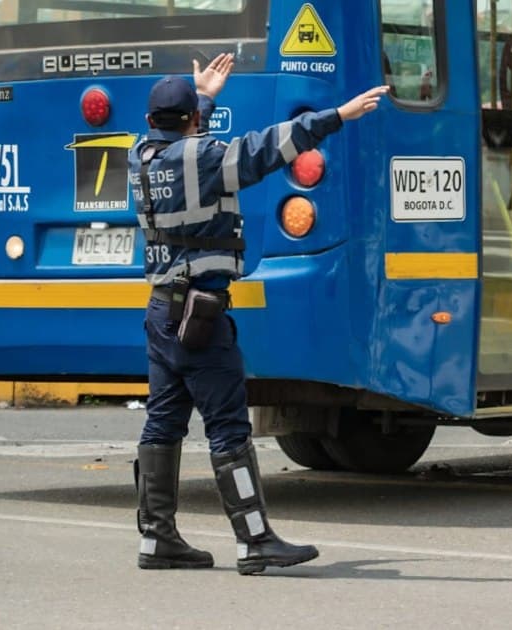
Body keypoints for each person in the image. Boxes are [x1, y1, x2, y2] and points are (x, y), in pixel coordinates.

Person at [129, 53, 387, 575]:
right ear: (192, 124)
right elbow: (272, 146)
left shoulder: (141, 155)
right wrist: (340, 113)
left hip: (161, 313)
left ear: (151, 120)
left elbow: (181, 133)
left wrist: (202, 97)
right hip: (198, 315)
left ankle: (157, 539)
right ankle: (255, 540)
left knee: (163, 423)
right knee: (227, 427)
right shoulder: (205, 157)